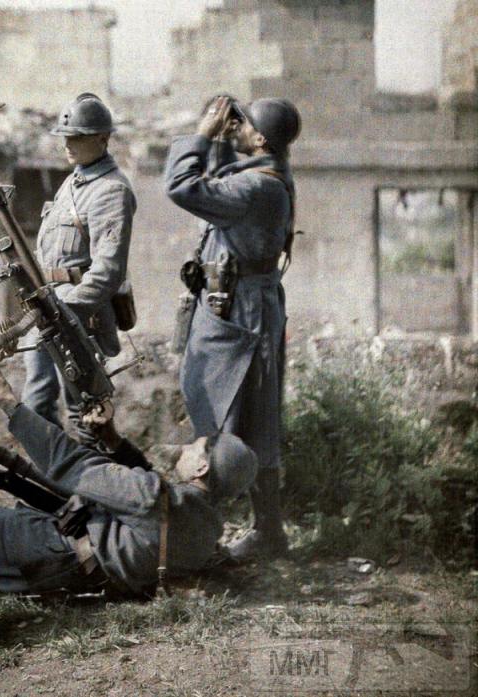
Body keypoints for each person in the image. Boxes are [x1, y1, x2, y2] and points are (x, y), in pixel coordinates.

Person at [0, 369, 258, 596]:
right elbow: (156, 499)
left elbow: (71, 462)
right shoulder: (206, 532)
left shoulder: (150, 497)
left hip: (45, 551)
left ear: (201, 467)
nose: (186, 447)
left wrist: (7, 401)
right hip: (76, 576)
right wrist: (111, 438)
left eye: (196, 446)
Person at [164, 95, 302, 562]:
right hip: (249, 305)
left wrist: (202, 134)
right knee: (252, 418)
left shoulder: (259, 188)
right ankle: (268, 532)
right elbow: (223, 183)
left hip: (240, 315)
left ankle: (213, 534)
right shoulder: (269, 173)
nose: (236, 128)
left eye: (242, 126)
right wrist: (224, 142)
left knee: (231, 419)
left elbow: (183, 187)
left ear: (260, 138)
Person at [22, 92, 136, 447]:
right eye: (65, 137)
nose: (68, 144)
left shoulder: (111, 191)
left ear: (103, 139)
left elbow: (108, 271)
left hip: (81, 316)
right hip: (50, 308)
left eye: (79, 137)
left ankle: (98, 488)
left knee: (85, 409)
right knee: (37, 401)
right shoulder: (74, 181)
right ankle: (55, 478)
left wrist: (67, 310)